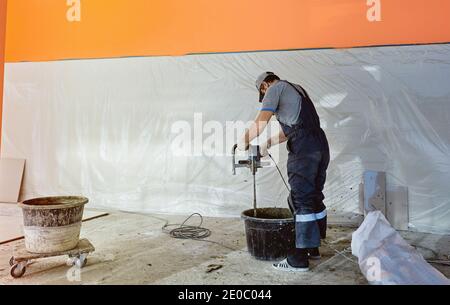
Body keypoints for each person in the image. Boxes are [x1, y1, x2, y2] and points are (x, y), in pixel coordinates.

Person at [237, 72, 330, 272]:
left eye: (263, 90)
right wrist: (268, 142)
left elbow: (261, 120)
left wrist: (245, 140)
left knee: (300, 199)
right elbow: (294, 128)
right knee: (313, 196)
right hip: (320, 145)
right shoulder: (297, 89)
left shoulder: (275, 88)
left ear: (265, 85)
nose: (265, 93)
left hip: (304, 148)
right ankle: (313, 248)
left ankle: (298, 259)